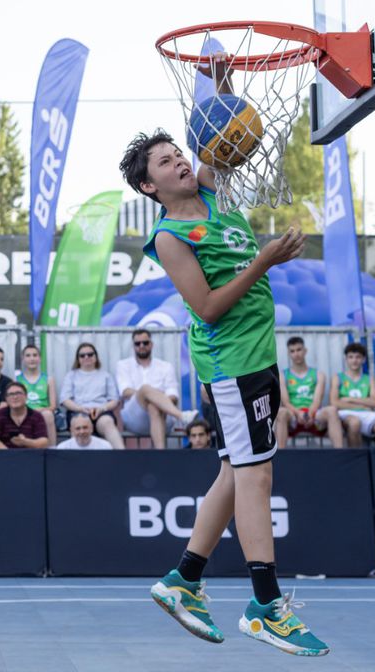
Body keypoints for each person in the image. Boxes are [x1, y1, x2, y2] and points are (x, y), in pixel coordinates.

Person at [120, 129, 326, 655]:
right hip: (230, 363)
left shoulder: (212, 186)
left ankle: (183, 580)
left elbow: (229, 143)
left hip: (256, 355)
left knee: (236, 472)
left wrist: (226, 88)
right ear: (149, 185)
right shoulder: (170, 237)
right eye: (165, 163)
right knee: (257, 476)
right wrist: (265, 260)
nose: (180, 164)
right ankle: (266, 607)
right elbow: (208, 306)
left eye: (178, 155)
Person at [116, 329, 195, 449]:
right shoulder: (123, 365)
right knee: (145, 389)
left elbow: (173, 396)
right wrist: (150, 395)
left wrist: (154, 399)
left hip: (163, 417)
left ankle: (160, 454)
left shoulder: (165, 366)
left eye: (145, 343)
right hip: (133, 419)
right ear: (133, 346)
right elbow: (125, 392)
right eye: (138, 343)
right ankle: (181, 415)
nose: (142, 346)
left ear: (151, 344)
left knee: (153, 406)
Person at [276, 336, 343, 448]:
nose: (296, 354)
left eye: (299, 349)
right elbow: (286, 402)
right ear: (288, 353)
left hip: (314, 414)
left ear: (305, 351)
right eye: (292, 351)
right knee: (281, 412)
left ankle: (341, 455)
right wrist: (299, 413)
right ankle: (281, 458)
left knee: (332, 410)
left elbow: (317, 400)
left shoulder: (318, 375)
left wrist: (309, 414)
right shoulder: (283, 375)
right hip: (293, 414)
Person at [330, 342, 375, 448]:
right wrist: (362, 405)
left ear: (364, 359)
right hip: (346, 415)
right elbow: (334, 402)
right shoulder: (338, 377)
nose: (354, 360)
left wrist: (349, 399)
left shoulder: (369, 378)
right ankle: (357, 462)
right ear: (346, 359)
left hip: (366, 414)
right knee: (355, 423)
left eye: (358, 357)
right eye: (351, 357)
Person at [60, 343, 124, 450]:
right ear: (78, 359)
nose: (86, 357)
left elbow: (114, 400)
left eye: (90, 354)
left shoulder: (105, 375)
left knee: (108, 422)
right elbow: (65, 399)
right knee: (77, 423)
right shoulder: (71, 375)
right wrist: (79, 408)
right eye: (82, 355)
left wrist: (101, 408)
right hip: (78, 410)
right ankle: (75, 462)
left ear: (95, 357)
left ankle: (123, 458)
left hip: (101, 411)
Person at [0, 382, 50, 449]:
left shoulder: (36, 416)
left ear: (26, 396)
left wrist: (25, 442)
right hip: (4, 456)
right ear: (6, 399)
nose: (15, 397)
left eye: (18, 393)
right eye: (11, 394)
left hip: (30, 456)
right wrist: (9, 454)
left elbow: (44, 442)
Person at [16, 344, 58, 445]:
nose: (32, 358)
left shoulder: (48, 379)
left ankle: (53, 450)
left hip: (43, 412)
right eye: (28, 355)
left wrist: (37, 410)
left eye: (35, 355)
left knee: (48, 414)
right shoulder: (17, 380)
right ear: (23, 359)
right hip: (23, 413)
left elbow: (53, 406)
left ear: (40, 358)